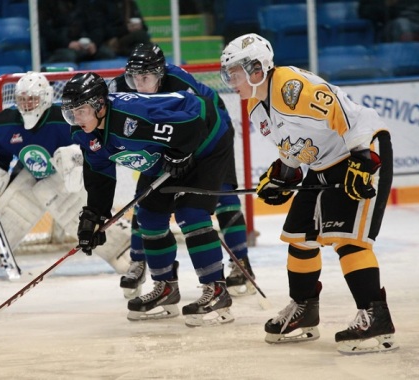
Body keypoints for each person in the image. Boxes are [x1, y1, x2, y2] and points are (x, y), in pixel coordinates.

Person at [220, 33, 397, 354]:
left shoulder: (291, 86)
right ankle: (304, 310)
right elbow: (294, 148)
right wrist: (283, 175)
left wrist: (362, 158)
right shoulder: (257, 108)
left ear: (256, 68)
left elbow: (347, 114)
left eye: (234, 72)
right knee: (299, 238)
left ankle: (376, 315)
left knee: (348, 240)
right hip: (323, 164)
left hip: (360, 150)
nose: (231, 80)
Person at [61, 71, 234, 327]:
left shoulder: (132, 119)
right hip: (165, 151)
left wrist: (179, 156)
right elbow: (99, 176)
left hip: (207, 140)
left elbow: (194, 122)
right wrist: (93, 217)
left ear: (99, 106)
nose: (76, 118)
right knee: (149, 217)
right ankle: (165, 288)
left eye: (81, 110)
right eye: (71, 112)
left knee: (191, 213)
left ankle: (217, 290)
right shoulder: (86, 134)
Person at [0, 72, 131, 279]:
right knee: (14, 207)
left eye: (32, 99)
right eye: (22, 99)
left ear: (45, 97)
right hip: (31, 174)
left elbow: (96, 146)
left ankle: (125, 248)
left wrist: (78, 158)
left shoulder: (66, 119)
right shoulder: (5, 123)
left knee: (75, 206)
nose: (27, 104)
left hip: (65, 179)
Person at [109, 42, 255, 299]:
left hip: (211, 133)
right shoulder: (122, 86)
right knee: (146, 196)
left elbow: (198, 123)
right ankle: (139, 261)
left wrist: (184, 155)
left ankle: (241, 264)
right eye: (134, 77)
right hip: (165, 141)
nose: (139, 84)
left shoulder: (179, 82)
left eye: (146, 77)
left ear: (160, 74)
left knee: (220, 195)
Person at [39, 0, 117, 64]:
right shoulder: (48, 4)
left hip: (85, 46)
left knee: (107, 53)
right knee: (69, 56)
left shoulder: (84, 4)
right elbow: (46, 32)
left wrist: (94, 43)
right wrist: (68, 44)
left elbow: (97, 27)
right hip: (61, 47)